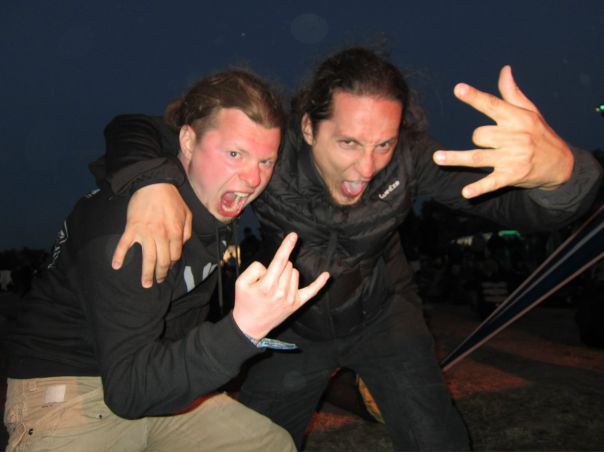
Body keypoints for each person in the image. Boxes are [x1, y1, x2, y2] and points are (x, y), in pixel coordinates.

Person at [92, 48, 602, 451]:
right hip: (290, 325)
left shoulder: (409, 160)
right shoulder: (270, 157)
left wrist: (565, 172)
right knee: (261, 440)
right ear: (308, 127)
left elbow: (524, 210)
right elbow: (136, 128)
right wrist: (150, 183)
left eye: (383, 143)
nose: (367, 167)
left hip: (384, 316)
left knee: (437, 438)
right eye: (349, 143)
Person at [3, 69, 329, 452]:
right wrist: (243, 329)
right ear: (187, 142)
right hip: (69, 388)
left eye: (265, 161)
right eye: (235, 154)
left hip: (154, 377)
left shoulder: (209, 197)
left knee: (270, 444)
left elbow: (140, 126)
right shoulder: (136, 231)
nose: (252, 178)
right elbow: (129, 392)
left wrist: (149, 177)